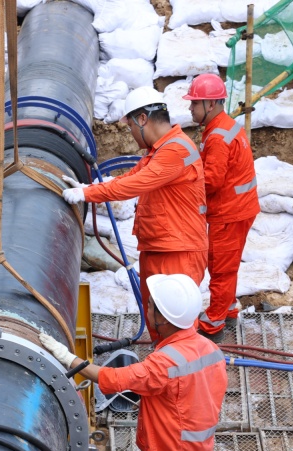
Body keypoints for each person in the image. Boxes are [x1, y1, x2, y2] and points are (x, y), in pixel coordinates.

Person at [40, 274, 227, 451]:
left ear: (163, 317)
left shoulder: (165, 364)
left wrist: (69, 359)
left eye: (150, 306)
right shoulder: (210, 350)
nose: (146, 309)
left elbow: (114, 378)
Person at [61, 86, 208, 342]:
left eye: (130, 126)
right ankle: (162, 369)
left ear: (142, 119)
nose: (130, 133)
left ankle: (180, 375)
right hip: (160, 246)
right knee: (156, 318)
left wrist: (89, 196)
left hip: (178, 250)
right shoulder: (159, 150)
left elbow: (136, 184)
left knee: (176, 325)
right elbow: (132, 175)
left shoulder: (176, 150)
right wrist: (91, 187)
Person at [183, 74, 260, 343]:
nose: (190, 109)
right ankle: (227, 308)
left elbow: (212, 181)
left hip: (230, 212)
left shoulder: (217, 136)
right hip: (238, 208)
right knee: (226, 264)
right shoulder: (222, 126)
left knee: (221, 267)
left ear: (211, 104)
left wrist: (184, 191)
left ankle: (214, 323)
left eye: (194, 103)